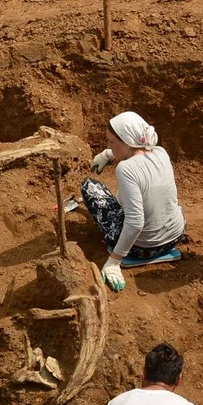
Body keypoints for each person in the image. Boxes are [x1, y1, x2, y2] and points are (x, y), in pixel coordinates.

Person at [81, 111, 186, 292]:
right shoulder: (160, 152)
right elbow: (135, 153)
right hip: (174, 237)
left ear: (126, 141)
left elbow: (136, 222)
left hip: (141, 249)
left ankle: (125, 256)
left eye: (111, 142)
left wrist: (114, 261)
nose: (109, 145)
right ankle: (163, 252)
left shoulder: (125, 169)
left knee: (90, 186)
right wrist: (107, 154)